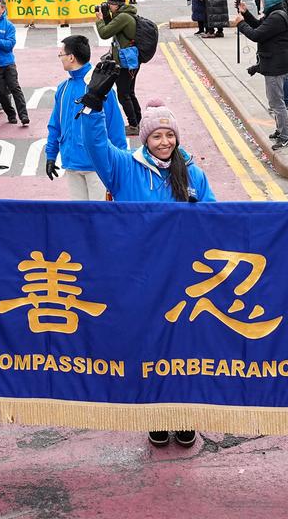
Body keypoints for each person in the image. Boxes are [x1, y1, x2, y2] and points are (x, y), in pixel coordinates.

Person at [77, 64, 215, 449]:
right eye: (157, 135)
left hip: (182, 278)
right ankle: (154, 414)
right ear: (145, 138)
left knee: (184, 350)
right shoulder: (123, 168)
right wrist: (93, 104)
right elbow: (96, 146)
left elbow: (217, 219)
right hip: (136, 276)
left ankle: (184, 414)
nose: (165, 142)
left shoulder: (192, 175)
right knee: (148, 347)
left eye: (170, 135)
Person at [45, 34, 127, 200]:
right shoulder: (63, 88)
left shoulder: (101, 87)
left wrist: (121, 164)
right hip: (72, 164)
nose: (60, 58)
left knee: (100, 217)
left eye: (61, 54)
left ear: (71, 57)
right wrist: (51, 155)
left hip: (97, 167)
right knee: (79, 217)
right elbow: (55, 124)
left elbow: (115, 126)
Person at [231, 0, 288, 150]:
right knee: (274, 101)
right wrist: (246, 13)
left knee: (277, 103)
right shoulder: (274, 14)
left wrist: (240, 24)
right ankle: (280, 131)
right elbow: (260, 27)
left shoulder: (276, 17)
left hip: (276, 65)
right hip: (273, 63)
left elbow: (256, 35)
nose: (262, 1)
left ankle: (286, 136)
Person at [95, 0, 141, 134]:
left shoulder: (123, 17)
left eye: (111, 4)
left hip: (125, 62)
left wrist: (100, 20)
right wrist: (107, 16)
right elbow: (112, 27)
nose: (108, 5)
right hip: (130, 60)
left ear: (118, 4)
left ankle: (134, 125)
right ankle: (138, 121)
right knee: (129, 92)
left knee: (123, 94)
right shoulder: (123, 15)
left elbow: (104, 32)